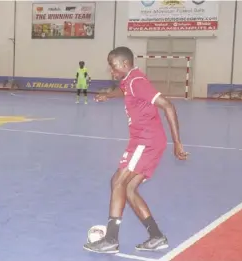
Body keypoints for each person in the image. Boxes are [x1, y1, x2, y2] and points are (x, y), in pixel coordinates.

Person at [83, 46, 189, 254]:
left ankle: (111, 239)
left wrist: (177, 142)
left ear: (124, 64)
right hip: (146, 140)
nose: (111, 72)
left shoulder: (137, 81)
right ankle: (156, 236)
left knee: (117, 182)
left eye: (113, 67)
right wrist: (108, 96)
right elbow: (123, 90)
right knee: (129, 188)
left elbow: (167, 105)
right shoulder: (129, 81)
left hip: (145, 141)